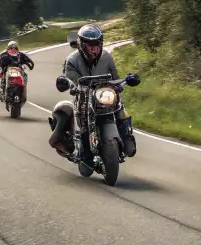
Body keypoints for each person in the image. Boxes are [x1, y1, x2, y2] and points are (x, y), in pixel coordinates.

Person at [47, 23, 136, 158]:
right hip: (83, 96)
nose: (94, 50)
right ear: (82, 45)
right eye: (90, 46)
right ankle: (74, 142)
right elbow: (70, 79)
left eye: (96, 45)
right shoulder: (72, 60)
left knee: (119, 106)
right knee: (70, 111)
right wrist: (65, 82)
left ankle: (127, 137)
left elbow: (115, 78)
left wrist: (127, 80)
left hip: (103, 95)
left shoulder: (106, 58)